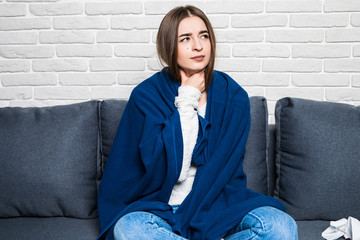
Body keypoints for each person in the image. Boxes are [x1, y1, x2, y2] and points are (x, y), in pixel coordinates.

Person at [97, 5, 298, 240]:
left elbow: (224, 173)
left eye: (204, 36)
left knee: (281, 227)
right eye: (185, 39)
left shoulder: (233, 96)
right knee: (130, 229)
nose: (198, 46)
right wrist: (187, 99)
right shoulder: (146, 96)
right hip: (159, 207)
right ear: (169, 46)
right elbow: (177, 173)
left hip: (217, 205)